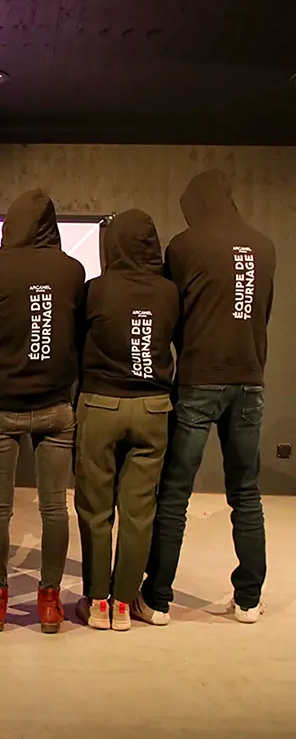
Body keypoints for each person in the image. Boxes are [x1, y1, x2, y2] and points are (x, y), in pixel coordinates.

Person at [136, 170, 276, 625]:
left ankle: (157, 599)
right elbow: (260, 314)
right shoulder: (264, 246)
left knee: (175, 494)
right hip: (250, 380)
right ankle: (249, 599)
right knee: (246, 493)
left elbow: (169, 311)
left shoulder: (184, 246)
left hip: (199, 379)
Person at [0, 190, 85, 633]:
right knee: (55, 508)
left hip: (0, 404)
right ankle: (50, 603)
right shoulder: (71, 270)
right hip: (55, 405)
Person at [74, 209, 179, 631]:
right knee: (140, 513)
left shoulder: (96, 289)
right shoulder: (169, 292)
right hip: (153, 408)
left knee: (95, 509)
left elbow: (76, 341)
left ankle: (97, 603)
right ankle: (123, 604)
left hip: (101, 405)